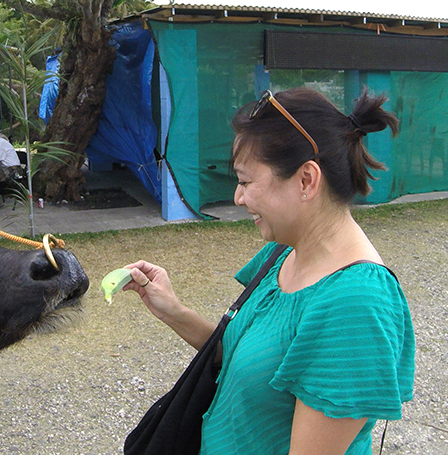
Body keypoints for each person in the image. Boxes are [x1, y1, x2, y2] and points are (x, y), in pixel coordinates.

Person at [122, 87, 414, 455]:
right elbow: (243, 357)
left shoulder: (355, 304)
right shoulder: (282, 253)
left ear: (306, 180)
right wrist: (174, 312)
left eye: (245, 182)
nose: (238, 198)